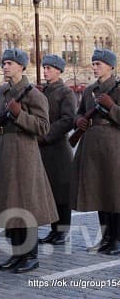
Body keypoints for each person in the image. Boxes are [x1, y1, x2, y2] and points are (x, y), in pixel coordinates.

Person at [0, 48, 58, 273]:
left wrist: (19, 115)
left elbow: (44, 127)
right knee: (9, 204)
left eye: (9, 63)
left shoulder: (33, 94)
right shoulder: (2, 91)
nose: (5, 66)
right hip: (4, 151)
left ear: (21, 67)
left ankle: (31, 256)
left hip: (25, 153)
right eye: (3, 63)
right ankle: (17, 254)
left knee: (26, 205)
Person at [73, 49, 120, 255]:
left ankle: (117, 240)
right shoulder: (89, 90)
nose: (95, 67)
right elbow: (79, 112)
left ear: (111, 66)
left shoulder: (117, 89)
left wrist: (112, 108)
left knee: (114, 193)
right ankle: (105, 238)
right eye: (93, 63)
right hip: (92, 145)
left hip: (113, 145)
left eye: (99, 64)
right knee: (100, 192)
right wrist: (79, 121)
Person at [38, 55, 76, 246]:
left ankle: (62, 231)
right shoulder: (41, 91)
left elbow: (68, 119)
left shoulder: (65, 92)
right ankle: (54, 230)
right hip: (42, 149)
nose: (45, 71)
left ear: (59, 70)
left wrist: (46, 135)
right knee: (50, 191)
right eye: (44, 67)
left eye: (50, 68)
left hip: (58, 148)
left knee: (61, 192)